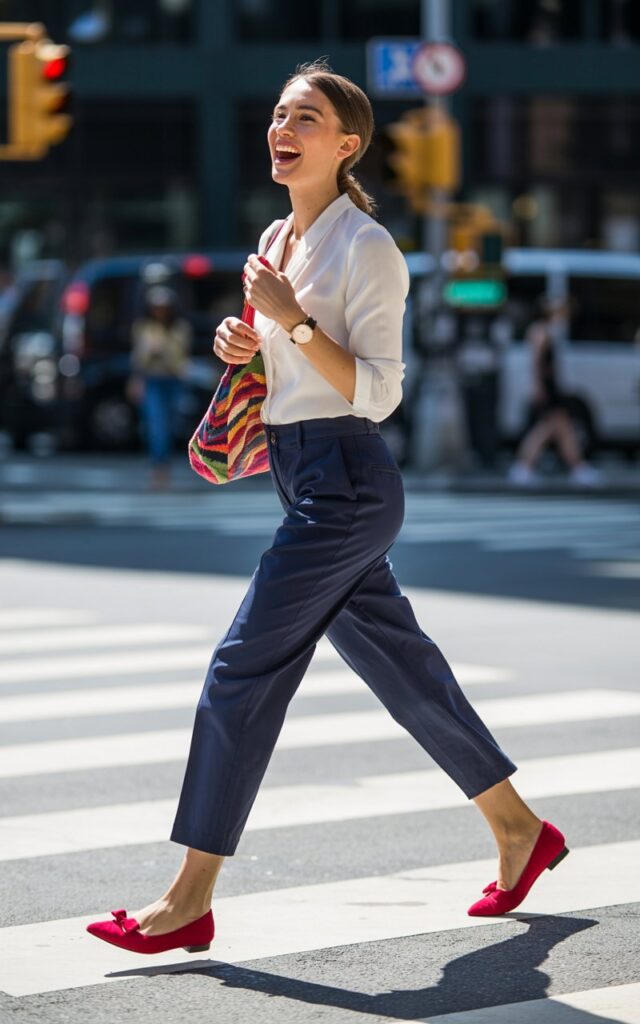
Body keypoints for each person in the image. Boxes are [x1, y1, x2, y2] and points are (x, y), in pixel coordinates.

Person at [87, 60, 568, 956]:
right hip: (300, 474)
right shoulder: (276, 238)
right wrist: (247, 338)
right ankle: (518, 828)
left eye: (305, 117)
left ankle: (189, 897)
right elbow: (284, 372)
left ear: (346, 145)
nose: (283, 128)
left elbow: (378, 393)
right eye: (277, 113)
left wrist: (293, 321)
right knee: (407, 674)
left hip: (347, 481)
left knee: (240, 671)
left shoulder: (368, 249)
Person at [508, 296, 599, 486]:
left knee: (559, 428)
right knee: (547, 429)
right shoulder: (541, 332)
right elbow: (537, 362)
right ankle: (525, 467)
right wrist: (539, 386)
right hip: (548, 387)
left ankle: (577, 468)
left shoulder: (542, 330)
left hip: (550, 385)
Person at [128, 285, 192, 490]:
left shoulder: (180, 328)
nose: (160, 311)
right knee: (156, 424)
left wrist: (162, 350)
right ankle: (159, 466)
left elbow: (180, 358)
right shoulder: (143, 327)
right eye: (156, 307)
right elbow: (138, 359)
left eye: (164, 307)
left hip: (173, 380)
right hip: (152, 380)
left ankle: (164, 463)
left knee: (172, 423)